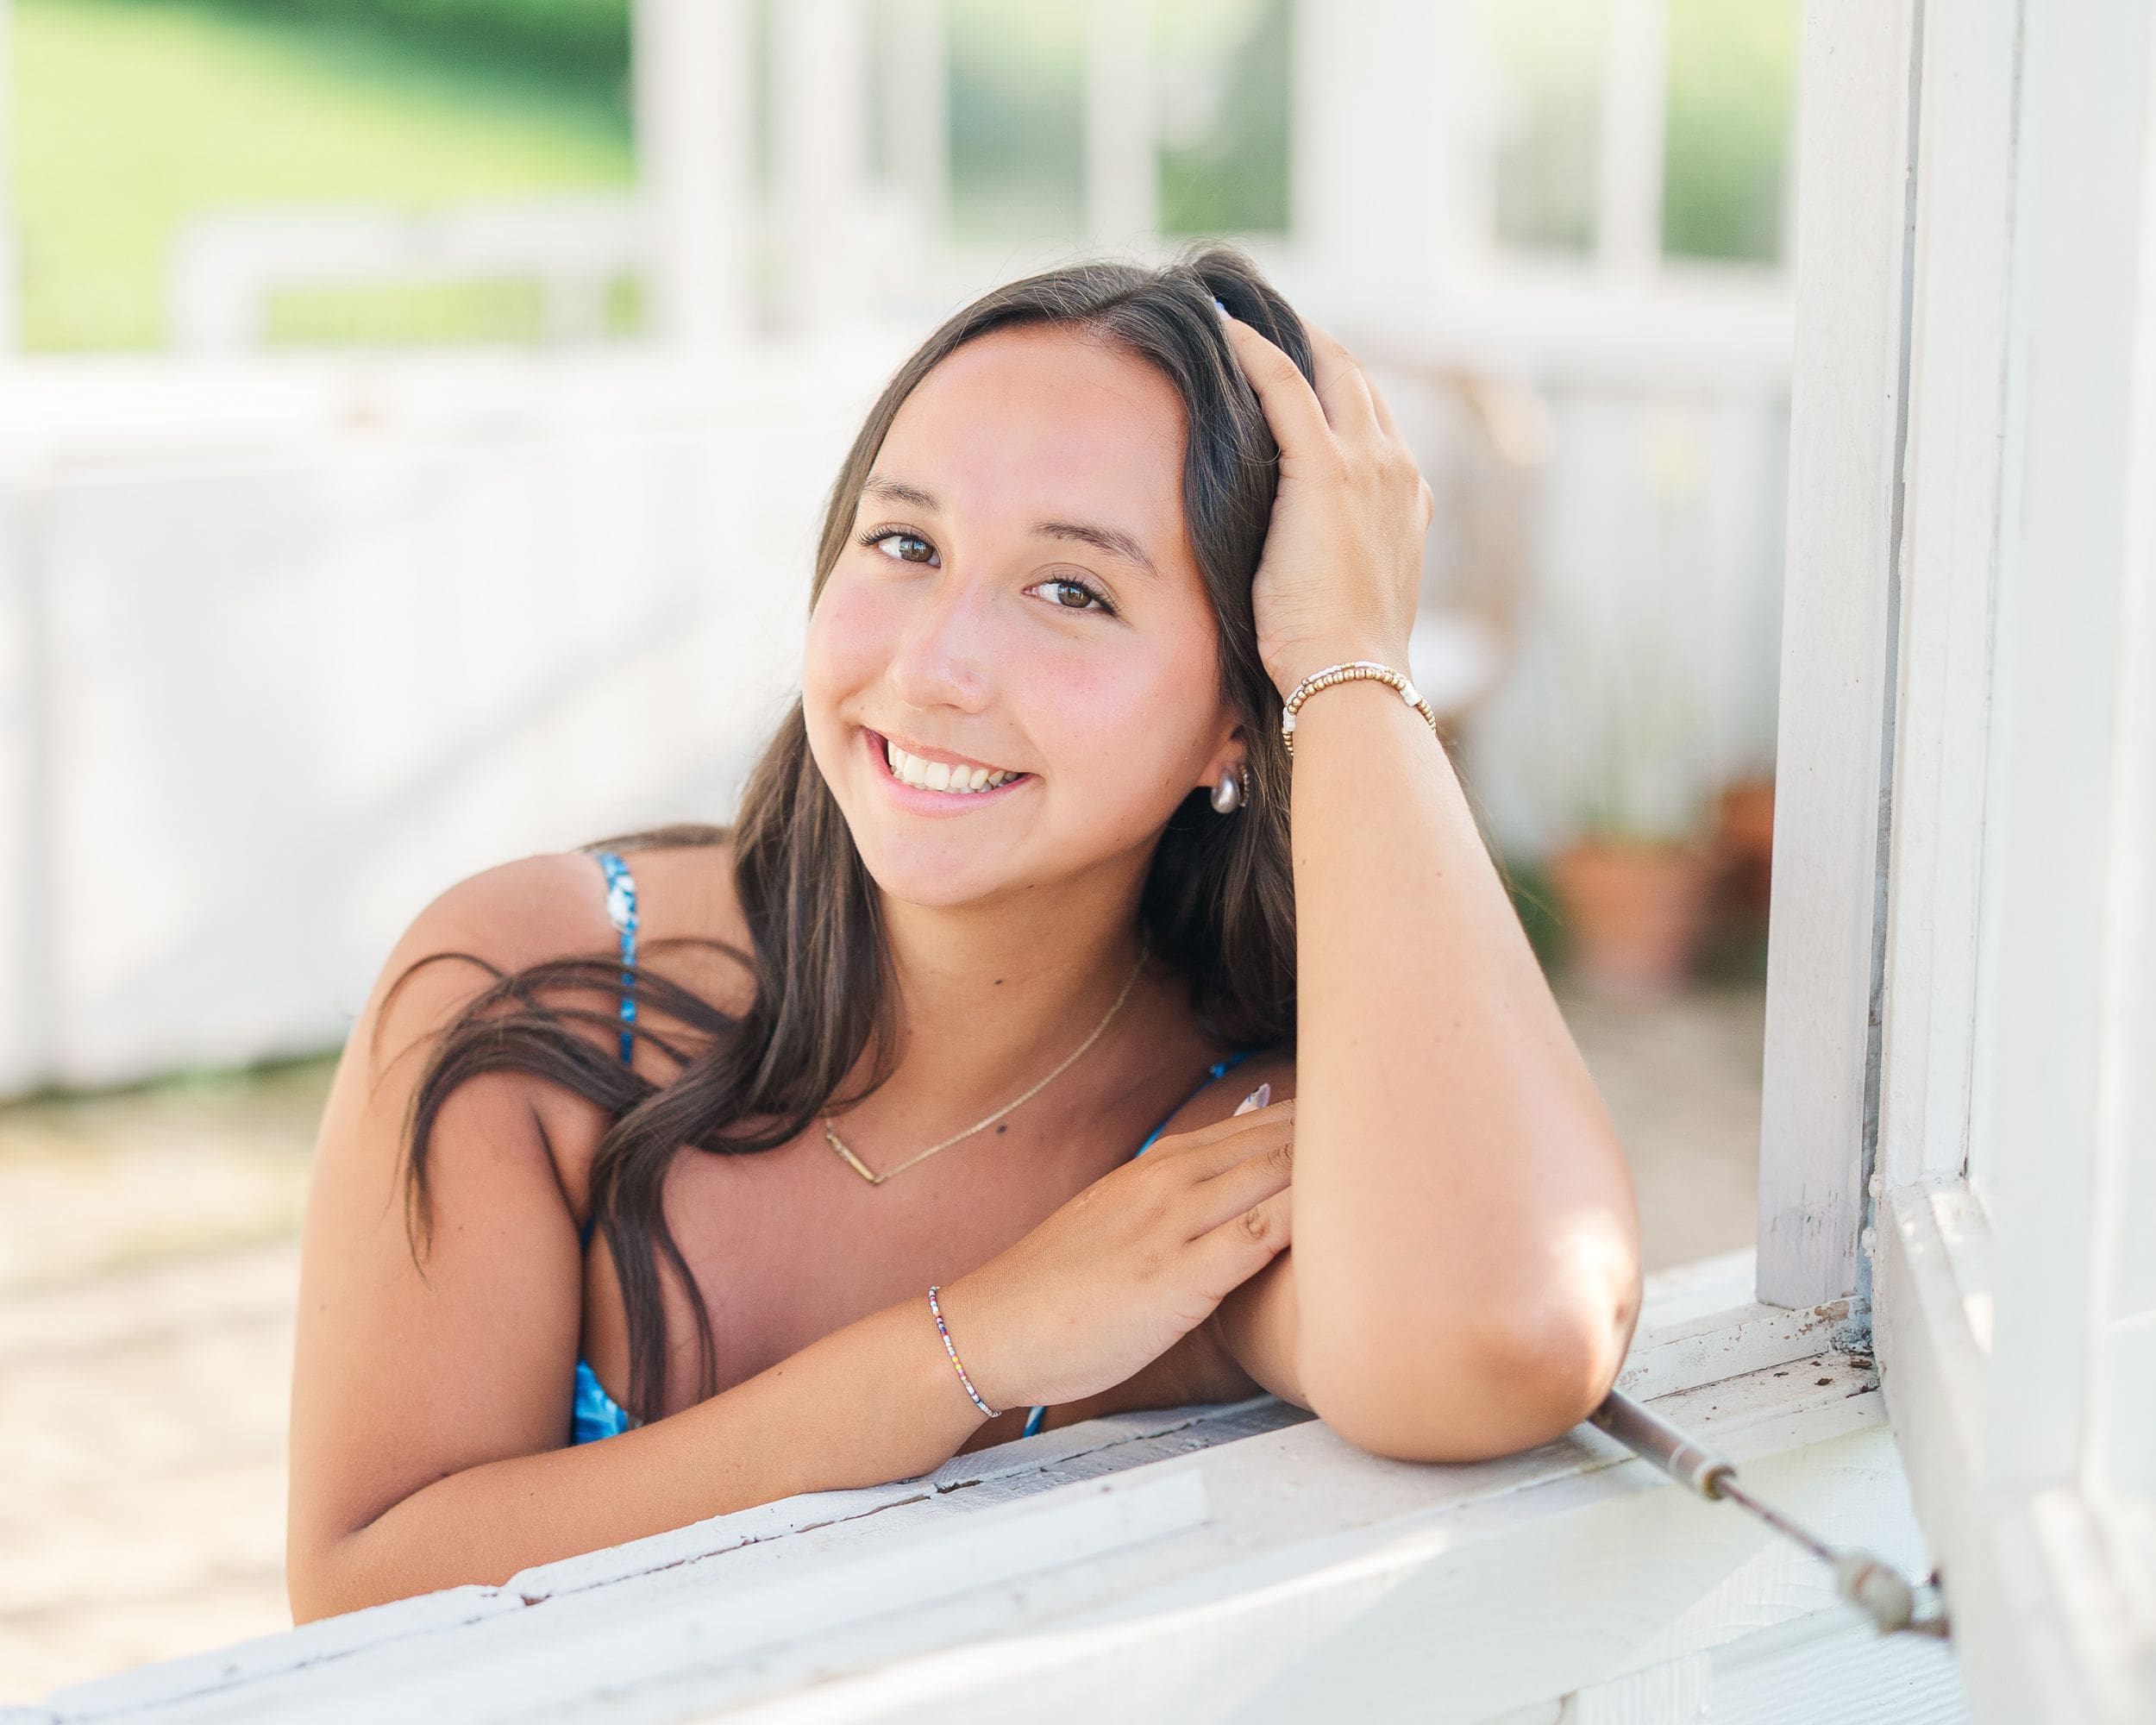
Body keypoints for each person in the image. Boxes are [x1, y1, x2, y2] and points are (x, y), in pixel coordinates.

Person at [284, 243, 1643, 1623]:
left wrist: (1350, 665)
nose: (933, 666)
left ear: (1235, 721)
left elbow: (1508, 1331)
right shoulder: (542, 987)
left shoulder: (1212, 1151)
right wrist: (972, 1346)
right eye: (906, 545)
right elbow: (358, 1601)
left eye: (1073, 591)